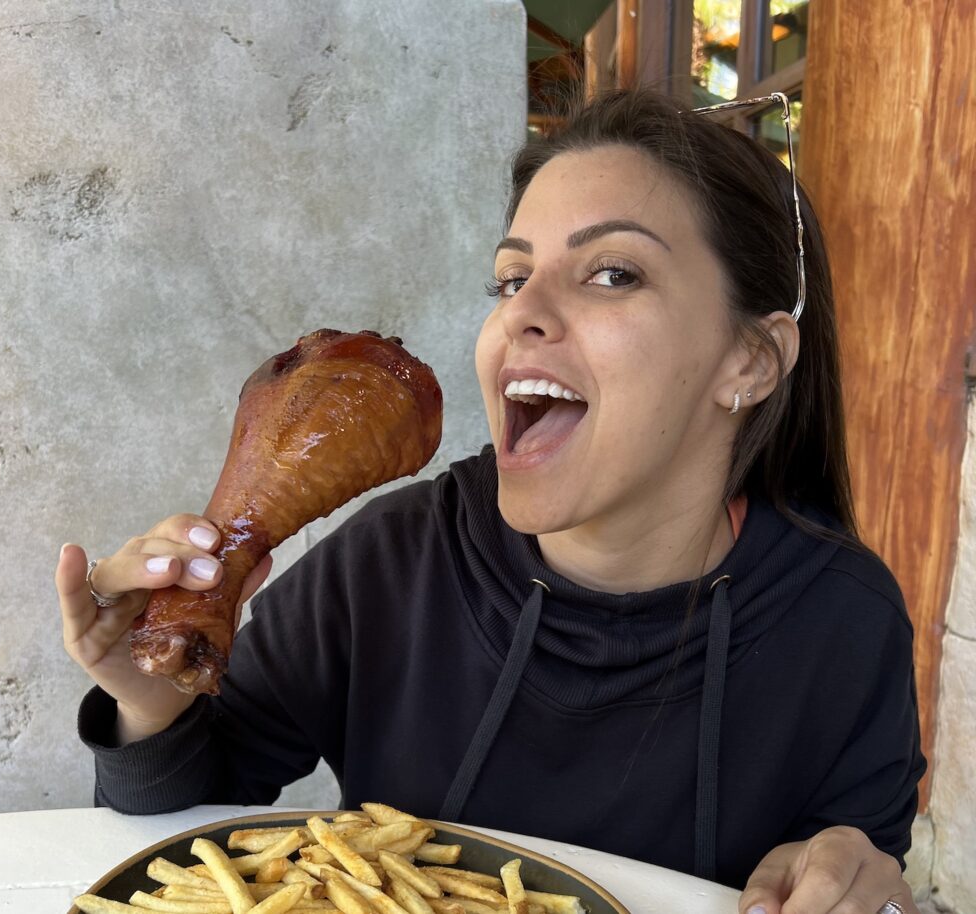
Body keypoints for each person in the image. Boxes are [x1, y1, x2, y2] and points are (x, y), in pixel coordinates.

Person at [56, 88, 925, 914]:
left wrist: (855, 878)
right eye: (510, 281)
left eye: (613, 273)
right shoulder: (395, 560)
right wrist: (149, 703)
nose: (524, 315)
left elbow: (860, 870)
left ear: (752, 361)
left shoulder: (843, 623)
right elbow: (186, 842)